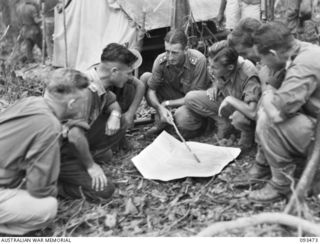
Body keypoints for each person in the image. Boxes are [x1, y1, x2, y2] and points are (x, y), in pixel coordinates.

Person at [0, 68, 89, 235]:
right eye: (83, 101)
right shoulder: (49, 126)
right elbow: (39, 189)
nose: (84, 105)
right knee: (47, 207)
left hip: (7, 175)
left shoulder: (31, 102)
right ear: (71, 103)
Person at [59, 43, 143, 202]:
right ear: (114, 72)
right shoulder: (85, 91)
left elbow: (113, 103)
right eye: (128, 73)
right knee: (105, 191)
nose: (129, 77)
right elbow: (75, 135)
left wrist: (116, 114)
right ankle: (56, 185)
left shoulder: (97, 80)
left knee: (121, 123)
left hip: (70, 145)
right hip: (58, 154)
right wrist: (91, 166)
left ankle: (80, 163)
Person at [246, 21, 320, 202]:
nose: (261, 63)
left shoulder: (304, 64)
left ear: (273, 53)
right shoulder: (300, 51)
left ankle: (281, 184)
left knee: (267, 118)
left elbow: (277, 114)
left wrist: (269, 93)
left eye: (261, 58)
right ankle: (264, 164)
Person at [182, 46, 261, 149]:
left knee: (238, 118)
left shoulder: (248, 73)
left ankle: (246, 136)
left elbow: (253, 112)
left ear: (230, 67)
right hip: (227, 103)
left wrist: (230, 100)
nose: (210, 69)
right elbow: (219, 79)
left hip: (244, 111)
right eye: (210, 65)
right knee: (190, 97)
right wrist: (214, 86)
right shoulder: (222, 66)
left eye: (214, 67)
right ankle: (224, 123)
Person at [140, 29, 210, 138]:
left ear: (186, 50)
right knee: (145, 78)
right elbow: (152, 90)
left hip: (194, 101)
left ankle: (197, 127)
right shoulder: (161, 60)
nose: (170, 57)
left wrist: (167, 104)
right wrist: (159, 108)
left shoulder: (198, 61)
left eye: (175, 53)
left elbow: (195, 98)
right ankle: (164, 121)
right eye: (167, 51)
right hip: (177, 95)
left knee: (181, 116)